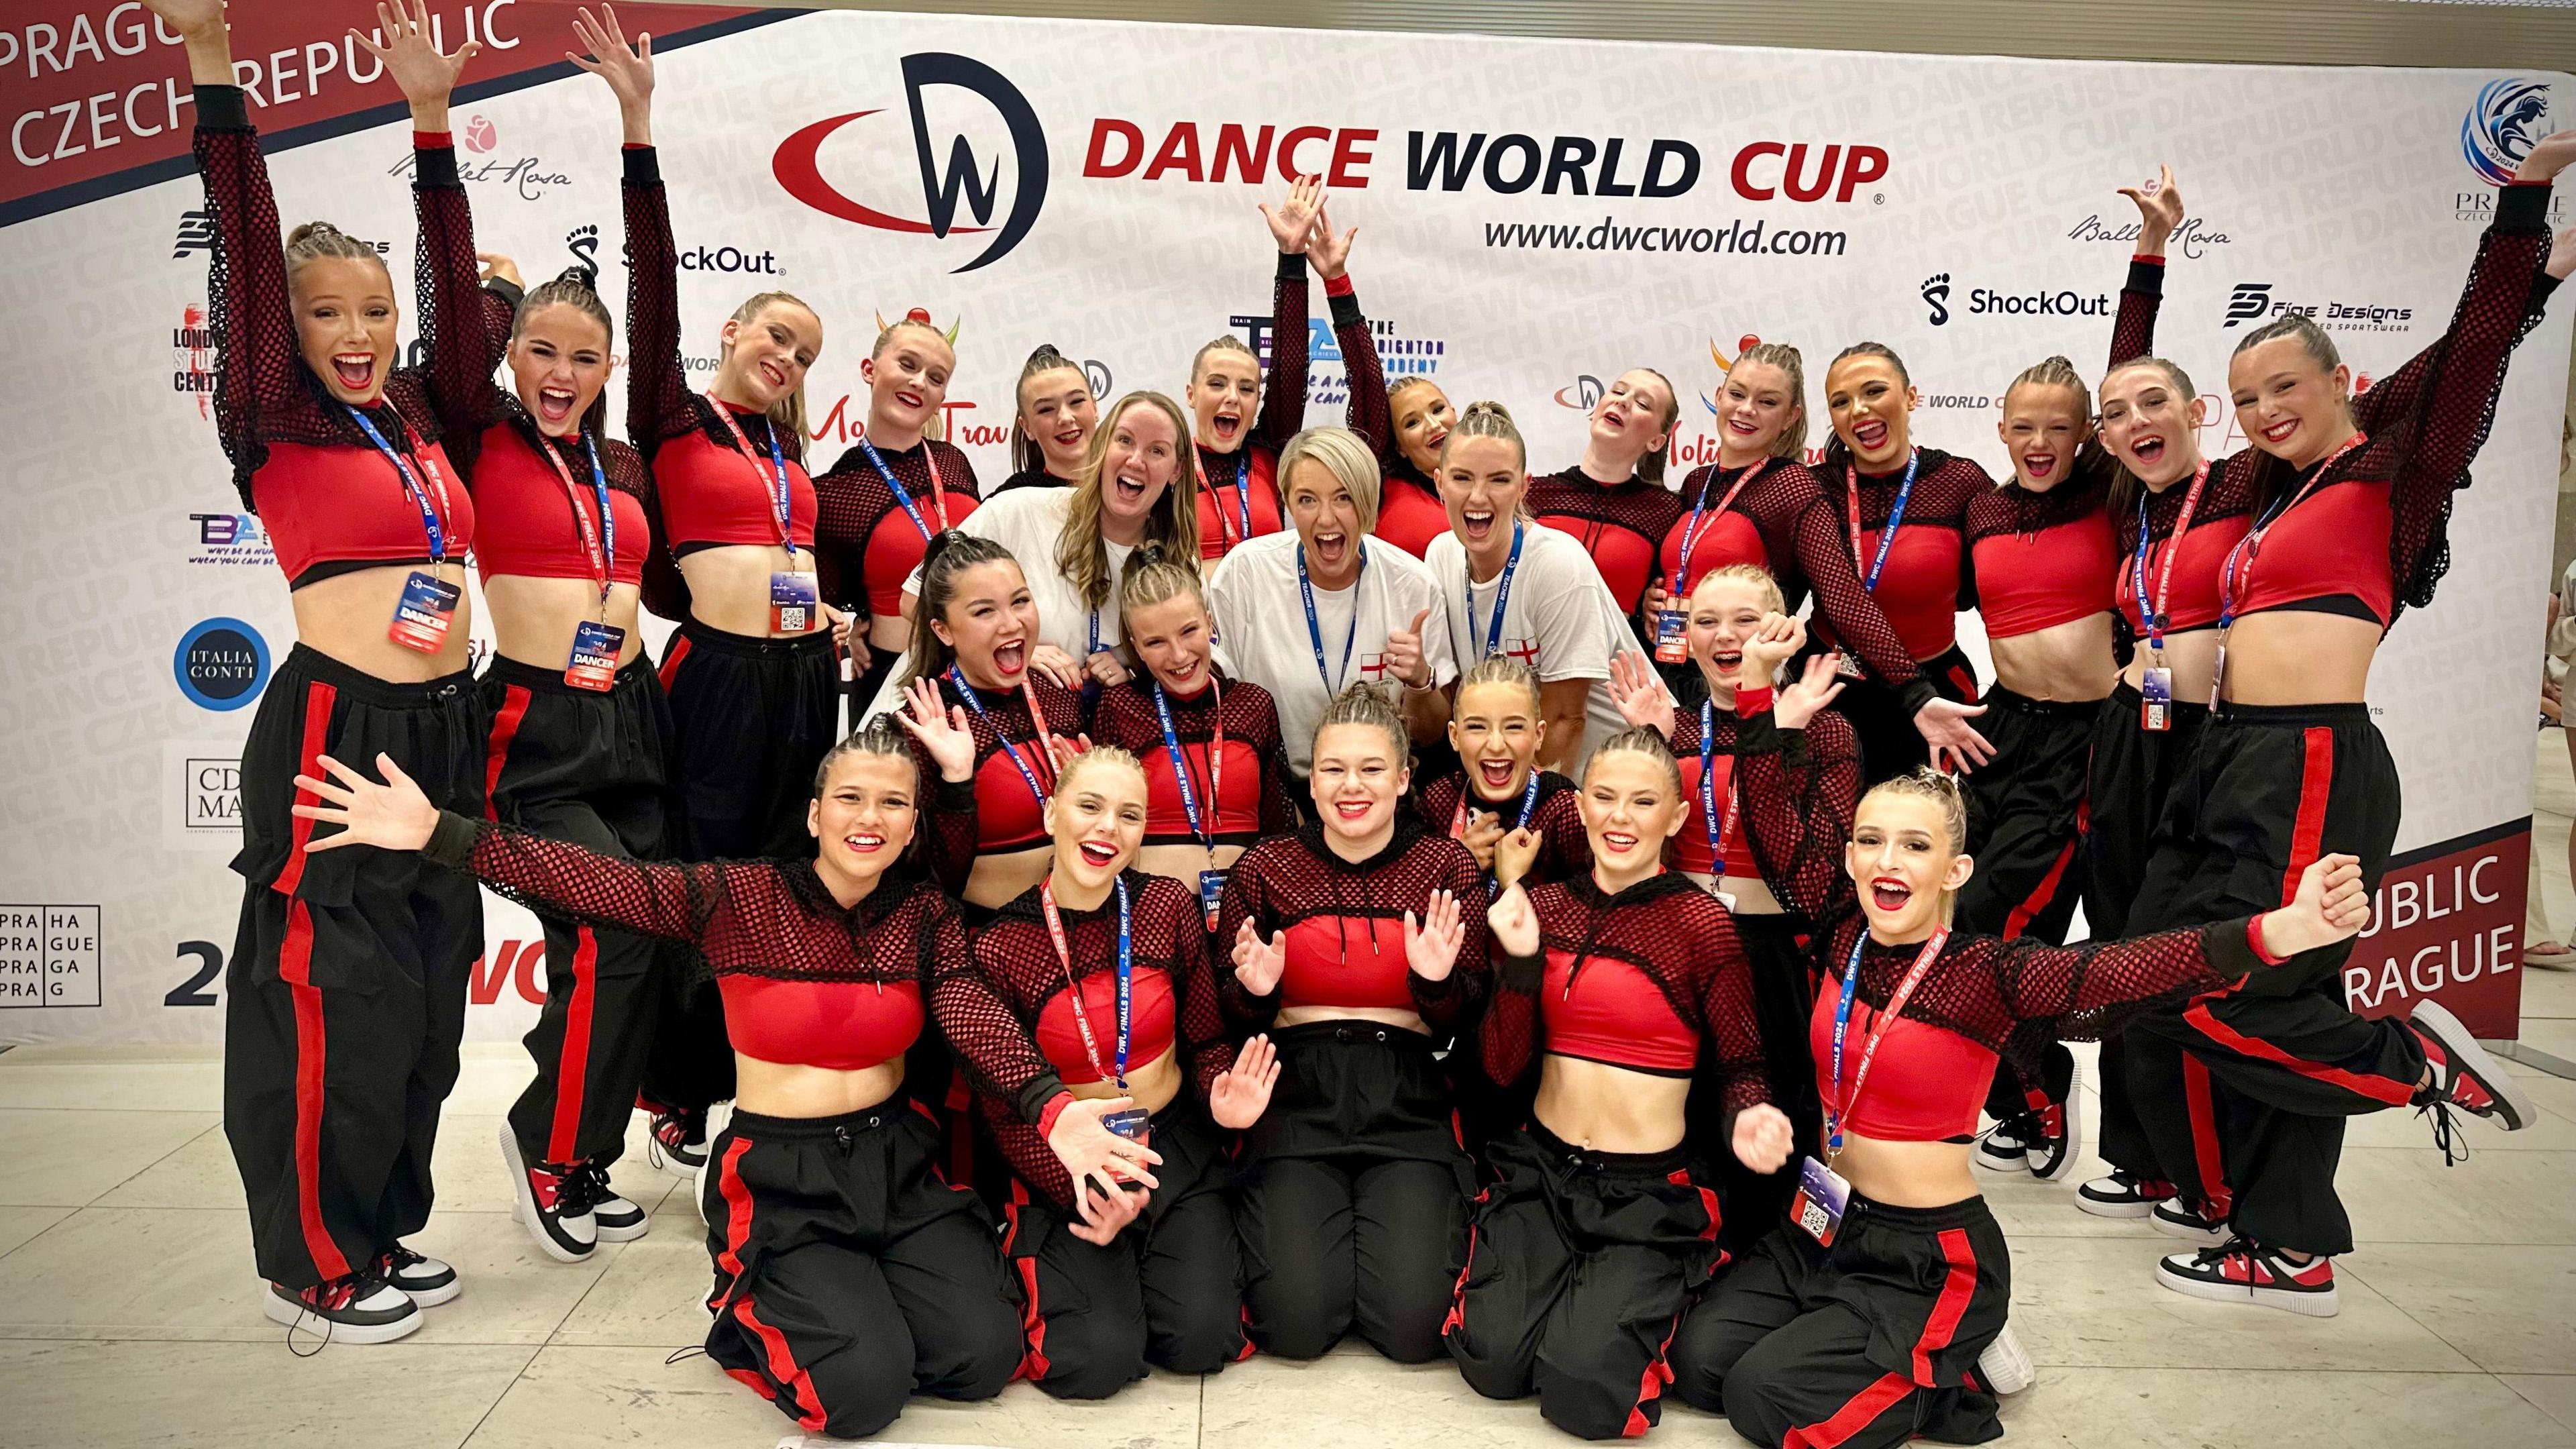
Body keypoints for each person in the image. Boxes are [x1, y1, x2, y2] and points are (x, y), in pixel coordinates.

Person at [286, 711, 1060, 1437]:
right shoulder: (740, 897)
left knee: (982, 1360)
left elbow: (971, 1005)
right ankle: (751, 1302)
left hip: (898, 1164)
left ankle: (854, 1297)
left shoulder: (922, 915)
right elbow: (596, 881)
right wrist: (442, 835)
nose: (870, 817)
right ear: (815, 814)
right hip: (788, 1176)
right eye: (851, 798)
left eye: (893, 804)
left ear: (913, 827)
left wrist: (1052, 1107)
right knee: (861, 1397)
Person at [2110, 133, 2569, 1307]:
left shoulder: (2391, 479)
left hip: (2312, 758)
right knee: (2153, 978)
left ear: (2343, 385)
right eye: (2249, 394)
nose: (2265, 410)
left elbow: (2464, 359)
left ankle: (2394, 1081)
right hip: (2225, 757)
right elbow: (2133, 415)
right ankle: (2275, 1225)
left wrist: (2525, 211)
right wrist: (2152, 260)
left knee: (2249, 994)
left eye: (2288, 389)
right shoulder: (2268, 490)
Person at [1668, 770, 2377, 1447]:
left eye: (1916, 846)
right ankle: (1885, 1339)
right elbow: (1776, 823)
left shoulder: (1987, 975)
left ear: (1955, 871)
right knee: (1702, 1365)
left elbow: (2123, 967)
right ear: (1850, 855)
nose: (1889, 860)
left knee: (1763, 1399)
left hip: (1924, 1254)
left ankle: (1953, 1364)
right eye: (1871, 840)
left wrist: (2278, 933)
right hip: (1820, 1228)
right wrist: (1759, 689)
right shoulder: (1842, 935)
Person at [163, 0, 493, 1339]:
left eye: (376, 310)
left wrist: (432, 130)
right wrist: (211, 66)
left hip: (443, 722)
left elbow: (461, 333)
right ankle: (309, 1255)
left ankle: (381, 1225)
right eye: (323, 311)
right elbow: (245, 248)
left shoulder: (419, 413)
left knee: (420, 1000)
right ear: (282, 328)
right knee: (322, 1000)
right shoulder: (272, 412)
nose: (355, 331)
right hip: (334, 729)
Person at [408, 5, 676, 1260]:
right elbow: (451, 312)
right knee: (610, 927)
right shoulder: (479, 431)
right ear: (509, 356)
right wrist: (431, 129)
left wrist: (639, 132)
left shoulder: (622, 459)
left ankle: (587, 1144)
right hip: (529, 727)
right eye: (539, 351)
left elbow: (658, 300)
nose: (560, 370)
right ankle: (546, 1140)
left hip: (633, 715)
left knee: (638, 941)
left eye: (583, 354)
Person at [620, 12, 845, 1168]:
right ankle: (674, 1091)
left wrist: (832, 621)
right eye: (776, 336)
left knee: (782, 892)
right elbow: (647, 282)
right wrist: (639, 131)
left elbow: (789, 571)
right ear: (733, 327)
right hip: (713, 683)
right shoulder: (671, 414)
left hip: (808, 688)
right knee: (702, 885)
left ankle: (752, 1078)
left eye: (806, 352)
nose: (789, 358)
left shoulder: (785, 454)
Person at [1447, 728, 1796, 1440]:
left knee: (1582, 1391)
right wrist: (1517, 965)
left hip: (1646, 1195)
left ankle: (1645, 1289)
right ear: (1581, 810)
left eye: (1643, 802)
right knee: (1493, 1366)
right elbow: (1501, 1070)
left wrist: (1749, 1114)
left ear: (1674, 817)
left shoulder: (1703, 926)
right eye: (1604, 797)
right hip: (1543, 1172)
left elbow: (1742, 1066)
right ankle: (1569, 1283)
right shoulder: (1544, 906)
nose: (1620, 817)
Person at [940, 747, 1281, 1396]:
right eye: (1089, 807)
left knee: (1202, 1339)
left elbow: (1206, 1040)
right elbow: (1000, 1115)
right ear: (1050, 814)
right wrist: (1084, 1184)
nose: (1107, 829)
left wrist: (1219, 1093)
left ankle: (1149, 1262)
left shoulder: (1167, 907)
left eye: (1128, 815)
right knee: (1093, 1363)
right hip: (1066, 1162)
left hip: (1172, 1142)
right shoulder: (1001, 944)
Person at [1215, 684, 1486, 1361]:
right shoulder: (1267, 867)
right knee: (1296, 1327)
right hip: (1297, 1095)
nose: (1351, 786)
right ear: (1311, 780)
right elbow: (1225, 1011)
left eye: (1370, 769)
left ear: (1401, 778)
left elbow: (1467, 1018)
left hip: (1407, 1096)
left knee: (1415, 1329)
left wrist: (1435, 983)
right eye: (1333, 769)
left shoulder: (1444, 865)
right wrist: (1255, 994)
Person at [1607, 566, 1858, 1245]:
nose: (1727, 636)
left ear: (1781, 629)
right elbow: (1633, 859)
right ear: (1684, 639)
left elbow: (1811, 885)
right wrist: (1652, 747)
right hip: (1681, 951)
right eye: (1706, 621)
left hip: (1773, 958)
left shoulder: (1822, 729)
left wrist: (1766, 727)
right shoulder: (1675, 726)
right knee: (1682, 1123)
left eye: (1746, 620)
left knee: (1771, 1133)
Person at [1640, 344, 1988, 772]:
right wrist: (1652, 598)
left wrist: (1916, 691)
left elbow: (1846, 593)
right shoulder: (1702, 483)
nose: (1858, 410)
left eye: (1767, 401)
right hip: (1789, 677)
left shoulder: (1798, 486)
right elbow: (1699, 570)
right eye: (1841, 402)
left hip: (1919, 682)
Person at [1953, 353, 2128, 1187]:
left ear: (2087, 433)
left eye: (2061, 425)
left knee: (1999, 929)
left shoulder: (2106, 493)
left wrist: (2150, 255)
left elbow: (2131, 362)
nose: (2040, 441)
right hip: (2000, 731)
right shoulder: (1981, 507)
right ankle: (2017, 1100)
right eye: (2024, 426)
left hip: (2084, 745)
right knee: (1950, 928)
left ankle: (2047, 1084)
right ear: (2000, 428)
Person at [873, 390, 1201, 706]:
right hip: (958, 721)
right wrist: (1018, 651)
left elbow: (1194, 656)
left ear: (1177, 470)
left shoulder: (1177, 565)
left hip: (1073, 742)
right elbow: (915, 600)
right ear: (1102, 447)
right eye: (1125, 441)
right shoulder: (1019, 511)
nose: (1135, 460)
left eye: (1157, 451)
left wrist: (1130, 662)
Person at [1206, 426, 1456, 782]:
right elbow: (1216, 710)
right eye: (1307, 500)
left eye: (1344, 498)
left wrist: (1419, 681)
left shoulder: (1411, 583)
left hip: (1378, 793)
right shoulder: (1245, 573)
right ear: (1287, 503)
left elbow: (1430, 737)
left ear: (1368, 502)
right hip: (1275, 788)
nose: (1325, 518)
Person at [1813, 344, 1993, 783]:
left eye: (1875, 391)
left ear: (1911, 397)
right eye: (1841, 401)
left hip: (1934, 691)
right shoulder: (1814, 488)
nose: (1859, 409)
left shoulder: (1959, 482)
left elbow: (1994, 588)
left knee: (1924, 835)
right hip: (1832, 684)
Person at [1423, 402, 1633, 771]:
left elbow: (1568, 718)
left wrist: (1526, 812)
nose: (1477, 496)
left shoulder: (1557, 563)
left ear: (1523, 487)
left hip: (1615, 776)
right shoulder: (1440, 555)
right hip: (1514, 771)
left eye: (1499, 480)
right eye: (1462, 478)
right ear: (1439, 483)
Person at [895, 535, 1089, 915]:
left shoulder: (1060, 691)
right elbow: (927, 885)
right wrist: (957, 779)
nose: (1011, 623)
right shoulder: (924, 724)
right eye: (985, 612)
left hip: (1089, 923)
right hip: (987, 936)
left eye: (1020, 601)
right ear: (943, 630)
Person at [1090, 552, 1299, 904]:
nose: (1179, 655)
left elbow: (1280, 829)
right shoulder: (1121, 707)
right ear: (1136, 648)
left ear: (1209, 623)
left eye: (1189, 632)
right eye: (1156, 642)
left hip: (1245, 907)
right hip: (1152, 914)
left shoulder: (1252, 705)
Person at [1185, 175, 1363, 564]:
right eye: (1217, 384)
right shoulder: (1166, 462)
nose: (1233, 396)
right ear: (1191, 394)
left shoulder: (1268, 452)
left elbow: (1292, 365)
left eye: (1247, 388)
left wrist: (1292, 255)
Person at [814, 311, 981, 712]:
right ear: (869, 370)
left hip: (979, 670)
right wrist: (849, 630)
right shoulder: (834, 490)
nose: (919, 382)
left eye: (936, 377)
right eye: (907, 364)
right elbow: (818, 607)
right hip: (894, 680)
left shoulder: (954, 462)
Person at [1417, 656, 1591, 894]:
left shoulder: (1563, 810)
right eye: (1477, 727)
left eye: (1514, 727)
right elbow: (1410, 905)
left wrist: (1519, 883)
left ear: (1539, 735)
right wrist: (1455, 862)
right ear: (1454, 736)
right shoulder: (1439, 799)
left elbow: (1593, 918)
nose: (1497, 744)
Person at [1526, 368, 1686, 623]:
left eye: (1642, 404)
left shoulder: (1665, 511)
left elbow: (1669, 597)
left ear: (1656, 442)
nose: (1623, 401)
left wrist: (1650, 607)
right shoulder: (1534, 492)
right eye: (1619, 391)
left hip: (1612, 658)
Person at [1361, 377, 1456, 558]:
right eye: (1413, 423)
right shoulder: (1404, 515)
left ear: (1454, 413)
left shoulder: (1501, 474)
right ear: (1400, 447)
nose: (1434, 425)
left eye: (1438, 410)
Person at [996, 343, 1098, 495]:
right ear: (1027, 427)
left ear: (1095, 407)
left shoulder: (1130, 483)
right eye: (1046, 409)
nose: (1065, 418)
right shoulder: (1008, 502)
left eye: (1076, 401)